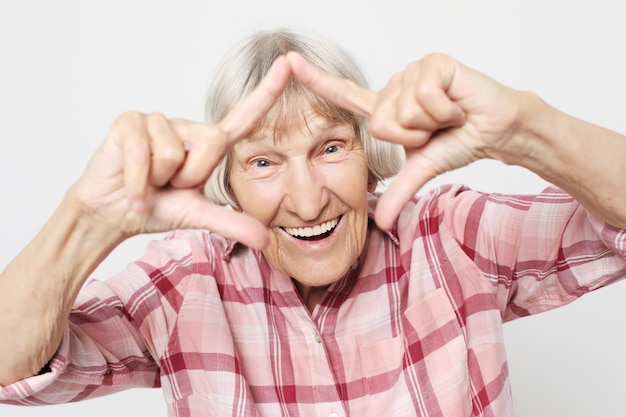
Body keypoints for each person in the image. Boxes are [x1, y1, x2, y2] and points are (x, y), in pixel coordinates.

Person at [0, 28, 625, 417]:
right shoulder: (185, 278)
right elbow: (11, 370)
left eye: (330, 148)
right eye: (265, 161)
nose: (306, 201)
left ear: (368, 149)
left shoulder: (447, 235)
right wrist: (88, 221)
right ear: (228, 180)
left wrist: (525, 130)